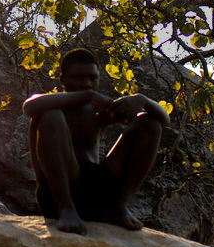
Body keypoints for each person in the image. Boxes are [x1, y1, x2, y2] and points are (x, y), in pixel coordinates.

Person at [23, 48, 169, 234]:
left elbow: (163, 121)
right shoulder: (50, 104)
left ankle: (119, 206)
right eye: (78, 77)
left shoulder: (100, 111)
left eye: (93, 78)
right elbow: (29, 106)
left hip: (96, 195)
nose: (87, 83)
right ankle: (66, 209)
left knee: (150, 123)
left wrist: (143, 100)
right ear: (63, 80)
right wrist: (88, 95)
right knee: (51, 116)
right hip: (56, 194)